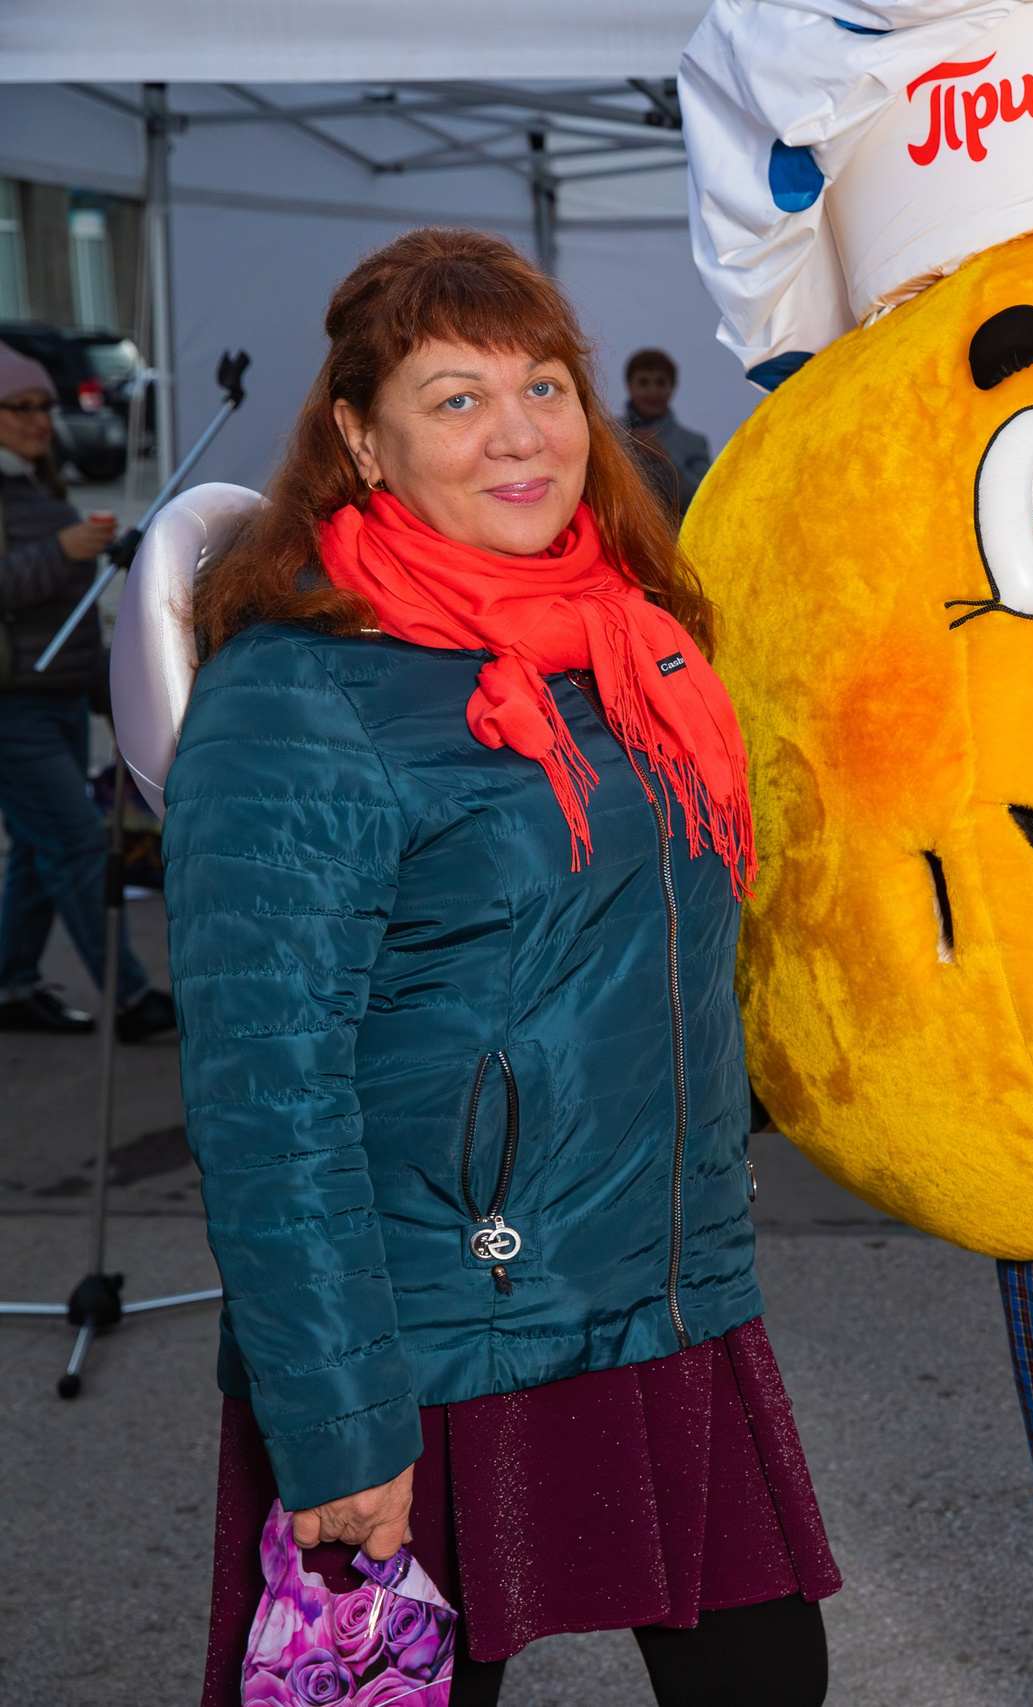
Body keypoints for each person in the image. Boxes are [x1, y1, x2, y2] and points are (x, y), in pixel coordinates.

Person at [167, 229, 836, 1707]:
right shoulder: (296, 694)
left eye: (543, 384)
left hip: (658, 1285)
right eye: (456, 397)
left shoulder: (632, 641)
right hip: (425, 1324)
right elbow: (266, 1098)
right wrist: (340, 1425)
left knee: (766, 1669)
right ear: (360, 436)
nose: (521, 432)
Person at [0, 340, 176, 1040]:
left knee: (42, 854)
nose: (40, 420)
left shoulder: (38, 486)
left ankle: (11, 984)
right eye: (21, 408)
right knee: (73, 846)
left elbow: (55, 612)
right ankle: (130, 1000)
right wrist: (61, 552)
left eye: (45, 406)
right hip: (14, 708)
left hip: (62, 699)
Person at [621, 348, 712, 519]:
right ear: (629, 385)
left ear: (673, 387)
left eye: (661, 382)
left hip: (670, 543)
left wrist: (664, 461)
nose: (653, 391)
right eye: (643, 382)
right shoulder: (606, 435)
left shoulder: (694, 443)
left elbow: (704, 502)